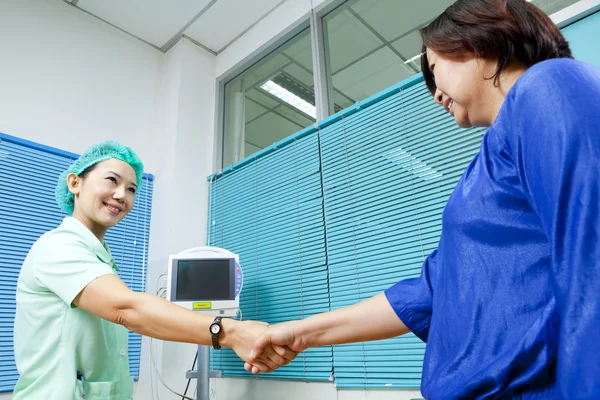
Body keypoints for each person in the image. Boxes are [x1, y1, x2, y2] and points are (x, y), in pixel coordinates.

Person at [245, 0, 600, 399]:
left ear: (479, 39)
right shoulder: (487, 165)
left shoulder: (549, 85)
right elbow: (427, 292)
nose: (435, 96)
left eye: (434, 70)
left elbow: (592, 251)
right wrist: (299, 334)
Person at [13, 141, 295, 399]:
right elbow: (128, 309)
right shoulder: (59, 247)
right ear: (75, 182)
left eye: (132, 189)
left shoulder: (99, 259)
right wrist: (231, 332)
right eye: (112, 180)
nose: (122, 195)